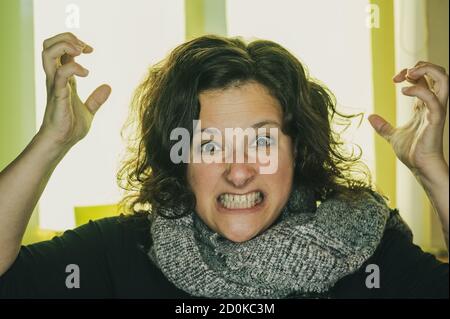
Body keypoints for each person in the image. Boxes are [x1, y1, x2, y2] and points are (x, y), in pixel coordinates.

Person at [0, 32, 448, 299]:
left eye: (262, 141)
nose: (238, 172)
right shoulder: (119, 254)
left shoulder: (369, 254)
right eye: (210, 145)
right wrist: (52, 142)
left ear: (299, 151)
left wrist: (430, 168)